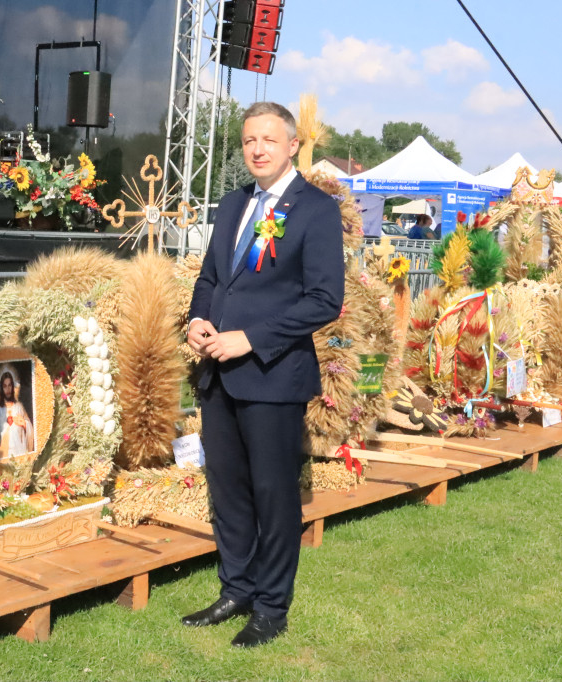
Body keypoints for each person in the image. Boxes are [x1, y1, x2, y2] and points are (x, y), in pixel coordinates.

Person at [184, 102, 344, 648]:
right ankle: (238, 588)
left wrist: (249, 339)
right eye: (249, 140)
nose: (256, 149)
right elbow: (212, 278)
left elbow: (325, 300)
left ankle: (272, 607)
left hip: (273, 376)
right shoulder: (232, 204)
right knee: (227, 490)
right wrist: (198, 319)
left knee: (273, 495)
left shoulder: (316, 210)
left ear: (293, 145)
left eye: (268, 140)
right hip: (218, 375)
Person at [0, 371, 34, 459]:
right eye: (5, 386)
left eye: (10, 385)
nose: (8, 389)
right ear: (2, 388)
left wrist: (25, 425)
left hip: (19, 451)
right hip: (4, 453)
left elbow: (30, 428)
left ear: (13, 386)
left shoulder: (19, 407)